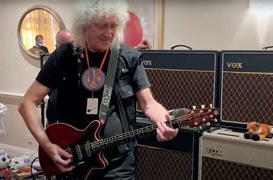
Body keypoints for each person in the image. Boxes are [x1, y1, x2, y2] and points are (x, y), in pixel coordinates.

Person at [18, 0, 178, 179]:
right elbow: (27, 104)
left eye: (114, 26)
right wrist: (48, 146)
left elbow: (149, 104)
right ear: (85, 26)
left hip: (118, 164)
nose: (109, 33)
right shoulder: (64, 56)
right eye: (102, 26)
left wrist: (165, 121)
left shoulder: (129, 58)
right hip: (71, 161)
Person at [46, 29, 75, 124]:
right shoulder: (51, 64)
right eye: (64, 46)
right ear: (57, 46)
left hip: (73, 123)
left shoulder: (79, 63)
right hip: (54, 120)